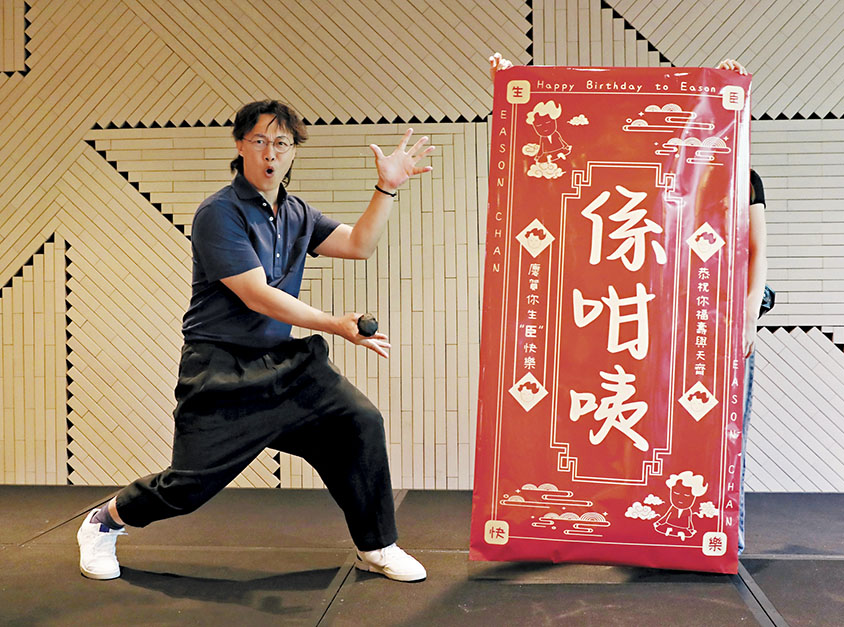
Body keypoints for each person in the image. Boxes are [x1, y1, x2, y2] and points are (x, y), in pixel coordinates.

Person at [77, 99, 434, 583]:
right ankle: (105, 522)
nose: (271, 152)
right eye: (260, 140)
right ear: (241, 146)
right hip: (221, 367)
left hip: (284, 363)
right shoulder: (219, 213)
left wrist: (387, 187)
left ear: (293, 152)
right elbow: (257, 295)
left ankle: (377, 544)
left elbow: (358, 245)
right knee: (189, 485)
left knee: (358, 422)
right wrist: (335, 323)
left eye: (281, 143)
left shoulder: (297, 212)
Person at [488, 54, 767, 556]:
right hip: (651, 334)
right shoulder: (643, 177)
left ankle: (725, 539)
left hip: (711, 329)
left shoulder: (739, 177)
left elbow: (756, 251)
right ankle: (627, 532)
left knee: (723, 436)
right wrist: (515, 86)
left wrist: (747, 317)